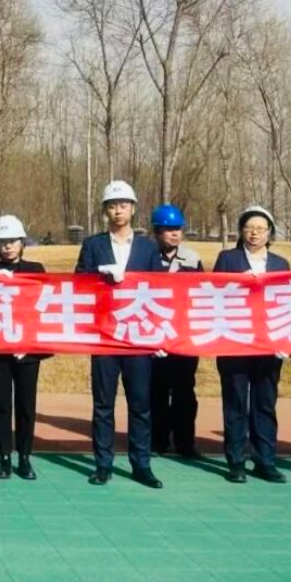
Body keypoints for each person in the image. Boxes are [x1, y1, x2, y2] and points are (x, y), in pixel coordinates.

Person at [75, 180, 165, 489]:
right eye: (113, 206)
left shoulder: (148, 248)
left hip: (137, 336)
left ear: (133, 209)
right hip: (104, 335)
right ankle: (103, 464)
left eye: (123, 205)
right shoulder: (93, 245)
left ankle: (141, 464)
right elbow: (78, 283)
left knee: (140, 404)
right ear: (105, 211)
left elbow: (161, 289)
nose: (118, 211)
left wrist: (159, 336)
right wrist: (101, 274)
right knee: (103, 404)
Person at [213, 205, 290, 484]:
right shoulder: (228, 259)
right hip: (235, 342)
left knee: (265, 402)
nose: (255, 233)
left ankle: (265, 460)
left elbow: (287, 302)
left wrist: (285, 339)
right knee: (235, 402)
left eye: (260, 228)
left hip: (268, 345)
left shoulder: (280, 264)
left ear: (269, 233)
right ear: (241, 231)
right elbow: (214, 294)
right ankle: (236, 461)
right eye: (249, 227)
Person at [0, 215, 49, 480]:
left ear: (22, 242)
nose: (8, 246)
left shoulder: (36, 269)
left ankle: (24, 456)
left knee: (26, 405)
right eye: (2, 242)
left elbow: (43, 306)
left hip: (27, 350)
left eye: (12, 241)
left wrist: (29, 341)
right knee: (1, 404)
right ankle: (4, 457)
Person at [149, 204, 204, 459]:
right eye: (168, 229)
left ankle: (185, 442)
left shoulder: (192, 259)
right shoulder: (147, 257)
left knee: (184, 390)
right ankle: (158, 440)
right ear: (157, 232)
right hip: (154, 334)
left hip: (183, 336)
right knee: (156, 390)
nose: (174, 234)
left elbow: (202, 293)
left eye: (177, 229)